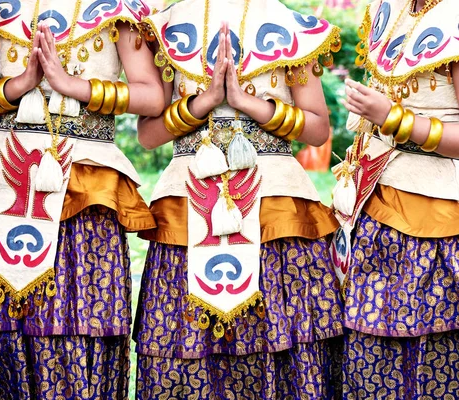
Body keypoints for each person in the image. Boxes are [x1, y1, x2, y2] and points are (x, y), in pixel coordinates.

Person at [133, 0, 344, 398]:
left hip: (275, 203)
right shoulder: (165, 26)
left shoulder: (289, 24)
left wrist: (249, 104)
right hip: (188, 197)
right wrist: (204, 102)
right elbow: (148, 135)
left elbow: (317, 129)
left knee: (276, 339)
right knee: (187, 343)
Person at [0, 0, 163, 398]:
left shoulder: (122, 8)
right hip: (9, 180)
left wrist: (76, 87)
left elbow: (153, 96)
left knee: (82, 315)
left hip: (88, 181)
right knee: (5, 322)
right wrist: (21, 84)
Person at [333, 0, 459, 397]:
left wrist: (395, 118)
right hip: (370, 201)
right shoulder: (394, 9)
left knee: (433, 350)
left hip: (433, 217)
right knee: (368, 351)